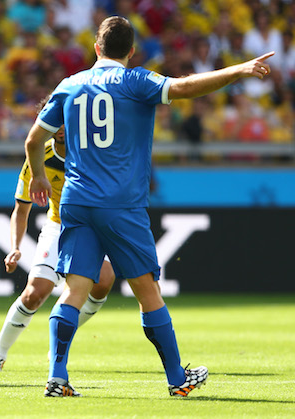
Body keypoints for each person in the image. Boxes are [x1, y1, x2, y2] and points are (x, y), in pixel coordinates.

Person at [24, 16, 273, 397]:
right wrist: (238, 69)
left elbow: (32, 141)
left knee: (73, 290)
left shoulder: (69, 85)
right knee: (147, 290)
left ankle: (57, 377)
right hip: (121, 204)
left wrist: (40, 177)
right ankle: (177, 379)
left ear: (96, 48)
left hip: (76, 201)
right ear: (131, 51)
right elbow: (186, 86)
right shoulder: (136, 80)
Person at [0, 97, 115, 373]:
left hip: (91, 228)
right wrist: (15, 247)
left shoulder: (94, 153)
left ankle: (60, 337)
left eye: (68, 119)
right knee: (35, 293)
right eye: (57, 119)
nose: (62, 127)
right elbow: (21, 209)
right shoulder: (38, 155)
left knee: (105, 281)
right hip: (57, 226)